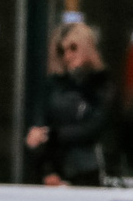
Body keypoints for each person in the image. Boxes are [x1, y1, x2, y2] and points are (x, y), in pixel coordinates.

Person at [26, 20, 111, 186]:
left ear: (86, 47)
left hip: (92, 171)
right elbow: (39, 127)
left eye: (73, 48)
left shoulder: (102, 84)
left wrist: (53, 135)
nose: (68, 56)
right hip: (58, 170)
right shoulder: (53, 85)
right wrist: (47, 170)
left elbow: (95, 127)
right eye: (62, 51)